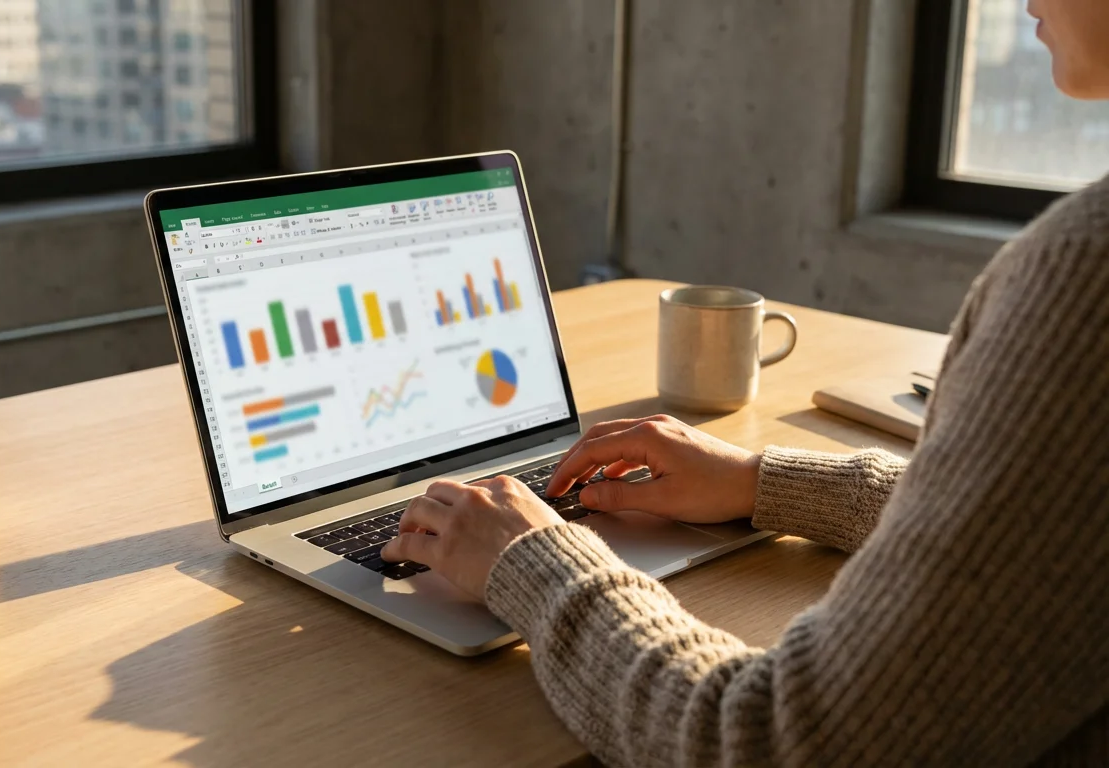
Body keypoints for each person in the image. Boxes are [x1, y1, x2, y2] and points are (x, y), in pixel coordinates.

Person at [381, 0, 1109, 764]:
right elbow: (1048, 530)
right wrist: (764, 482)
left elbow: (774, 742)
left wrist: (532, 561)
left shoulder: (1085, 278)